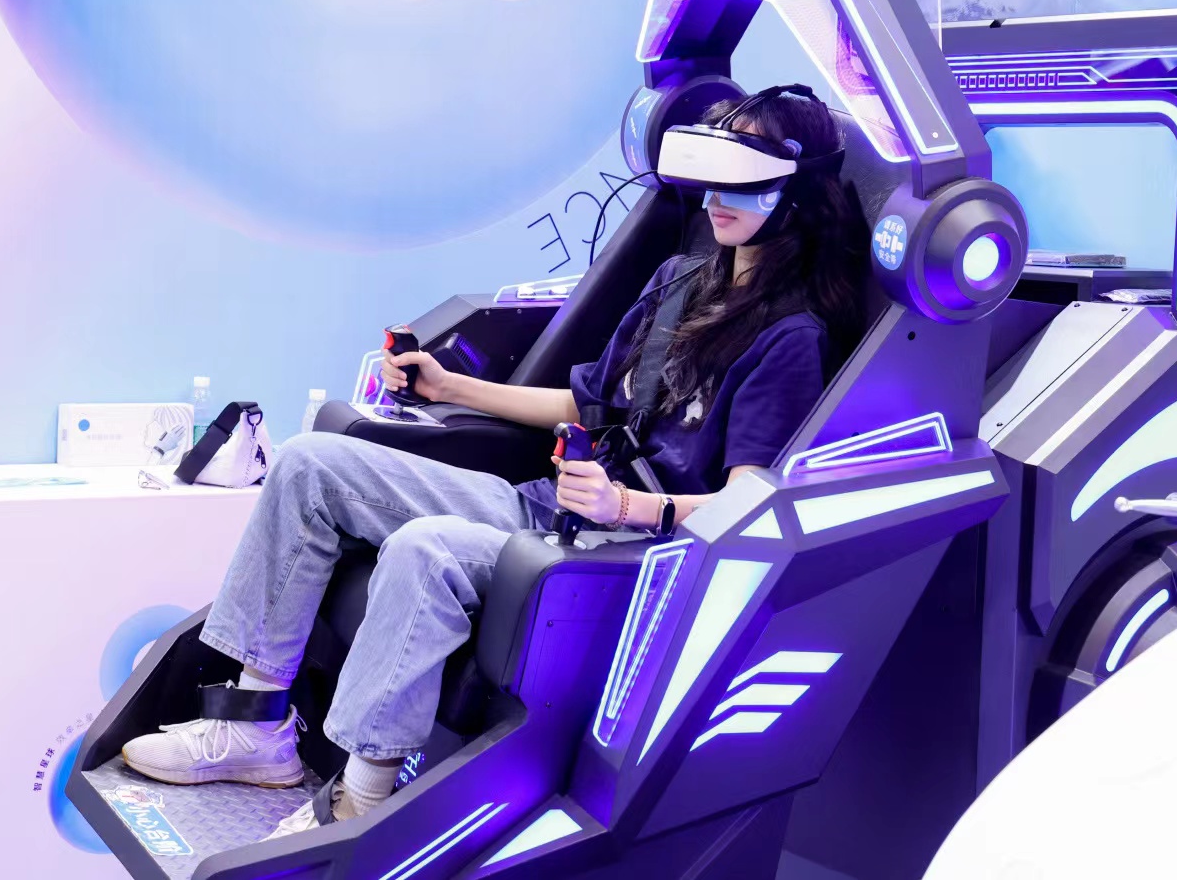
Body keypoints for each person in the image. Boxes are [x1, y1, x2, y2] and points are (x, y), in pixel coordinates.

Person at [120, 85, 872, 838]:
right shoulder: (681, 282)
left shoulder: (790, 340)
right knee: (310, 464)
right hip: (551, 508)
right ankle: (254, 728)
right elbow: (588, 403)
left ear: (796, 194)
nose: (715, 199)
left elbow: (751, 503)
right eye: (712, 176)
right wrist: (450, 386)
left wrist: (628, 507)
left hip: (634, 551)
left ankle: (362, 803)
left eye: (740, 182)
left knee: (425, 549)